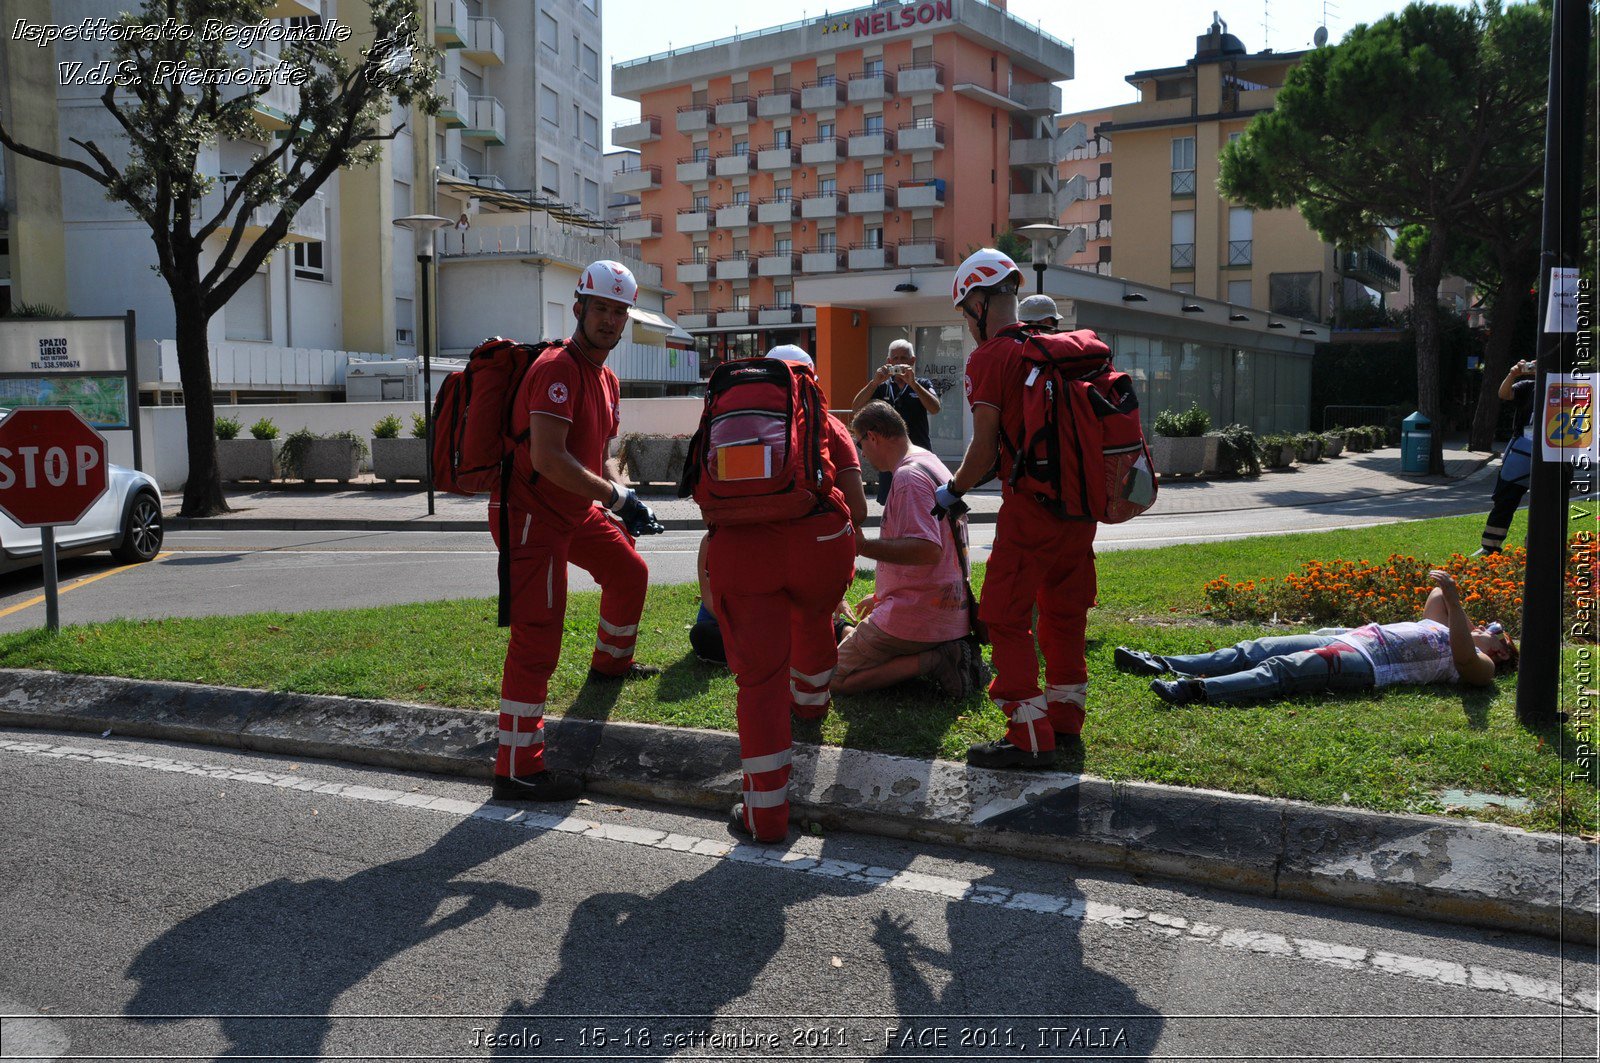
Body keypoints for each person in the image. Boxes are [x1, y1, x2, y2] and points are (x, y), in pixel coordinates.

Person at [489, 260, 665, 804]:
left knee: (628, 570)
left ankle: (611, 665)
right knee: (537, 638)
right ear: (579, 308)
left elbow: (598, 457)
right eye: (602, 309)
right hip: (530, 514)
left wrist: (621, 496)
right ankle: (516, 767)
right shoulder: (557, 369)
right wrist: (612, 495)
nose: (610, 320)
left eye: (620, 311)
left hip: (573, 510)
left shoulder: (606, 377)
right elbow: (547, 459)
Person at [933, 248, 1100, 770]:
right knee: (1064, 612)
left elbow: (983, 450)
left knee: (1003, 613)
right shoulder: (1048, 345)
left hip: (1031, 507)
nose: (966, 321)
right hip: (1080, 506)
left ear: (980, 301)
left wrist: (951, 490)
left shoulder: (990, 358)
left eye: (965, 310)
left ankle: (1028, 735)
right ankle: (1066, 721)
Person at [703, 345, 868, 843]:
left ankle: (765, 815)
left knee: (758, 684)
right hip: (816, 549)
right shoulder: (829, 424)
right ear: (810, 381)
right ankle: (812, 706)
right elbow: (857, 508)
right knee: (815, 619)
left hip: (743, 553)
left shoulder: (729, 413)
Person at [1116, 570, 1518, 704]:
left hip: (1370, 665)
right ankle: (1165, 663)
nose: (1489, 627)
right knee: (1255, 648)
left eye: (1497, 632)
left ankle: (1195, 691)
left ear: (1501, 653)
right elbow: (1435, 596)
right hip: (1356, 638)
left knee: (1281, 670)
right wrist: (1449, 595)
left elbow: (1466, 658)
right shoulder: (1445, 627)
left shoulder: (1481, 668)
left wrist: (1460, 608)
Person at [832, 401, 977, 698]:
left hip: (916, 617)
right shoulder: (929, 460)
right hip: (947, 612)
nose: (862, 453)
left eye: (861, 444)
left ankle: (937, 660)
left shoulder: (908, 477)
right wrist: (882, 595)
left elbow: (927, 550)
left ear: (873, 436)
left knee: (830, 678)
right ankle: (939, 651)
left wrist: (863, 546)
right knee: (853, 642)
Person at [850, 338, 941, 504]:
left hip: (918, 454)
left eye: (904, 358)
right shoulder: (882, 386)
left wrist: (913, 385)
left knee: (920, 501)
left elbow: (935, 408)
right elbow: (856, 407)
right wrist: (874, 382)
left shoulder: (922, 383)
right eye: (895, 359)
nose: (899, 363)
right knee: (891, 504)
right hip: (889, 457)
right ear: (888, 362)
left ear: (912, 361)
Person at [1475, 357, 1538, 556]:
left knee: (1547, 502)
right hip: (1523, 450)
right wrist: (1513, 374)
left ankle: (1539, 545)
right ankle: (1490, 546)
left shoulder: (1567, 387)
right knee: (1505, 499)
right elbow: (1504, 394)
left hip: (1553, 452)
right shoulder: (1528, 386)